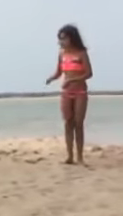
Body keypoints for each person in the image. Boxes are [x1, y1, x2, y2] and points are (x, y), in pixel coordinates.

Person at [46, 24, 92, 165]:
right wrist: (51, 78)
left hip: (80, 92)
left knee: (78, 124)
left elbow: (89, 73)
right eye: (60, 39)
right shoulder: (62, 54)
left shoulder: (81, 53)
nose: (61, 42)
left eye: (64, 39)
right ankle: (69, 156)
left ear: (72, 38)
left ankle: (80, 157)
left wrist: (72, 79)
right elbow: (59, 72)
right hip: (66, 92)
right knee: (68, 123)